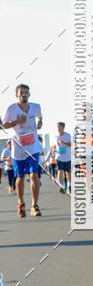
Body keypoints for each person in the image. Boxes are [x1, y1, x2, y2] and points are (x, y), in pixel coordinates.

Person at [2, 84, 43, 217]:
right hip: (18, 147)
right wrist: (17, 121)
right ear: (17, 95)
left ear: (29, 94)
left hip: (33, 146)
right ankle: (21, 204)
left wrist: (40, 122)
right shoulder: (11, 109)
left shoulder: (36, 106)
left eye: (26, 92)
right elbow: (4, 125)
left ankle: (34, 205)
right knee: (20, 177)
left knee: (34, 175)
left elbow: (39, 116)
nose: (24, 94)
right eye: (21, 93)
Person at [56, 122, 72, 194]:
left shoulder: (68, 135)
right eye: (57, 127)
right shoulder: (56, 136)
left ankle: (69, 185)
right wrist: (54, 149)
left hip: (67, 157)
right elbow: (54, 146)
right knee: (60, 171)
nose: (58, 129)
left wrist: (63, 142)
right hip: (59, 157)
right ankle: (62, 186)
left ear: (63, 128)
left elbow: (71, 144)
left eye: (59, 127)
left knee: (68, 173)